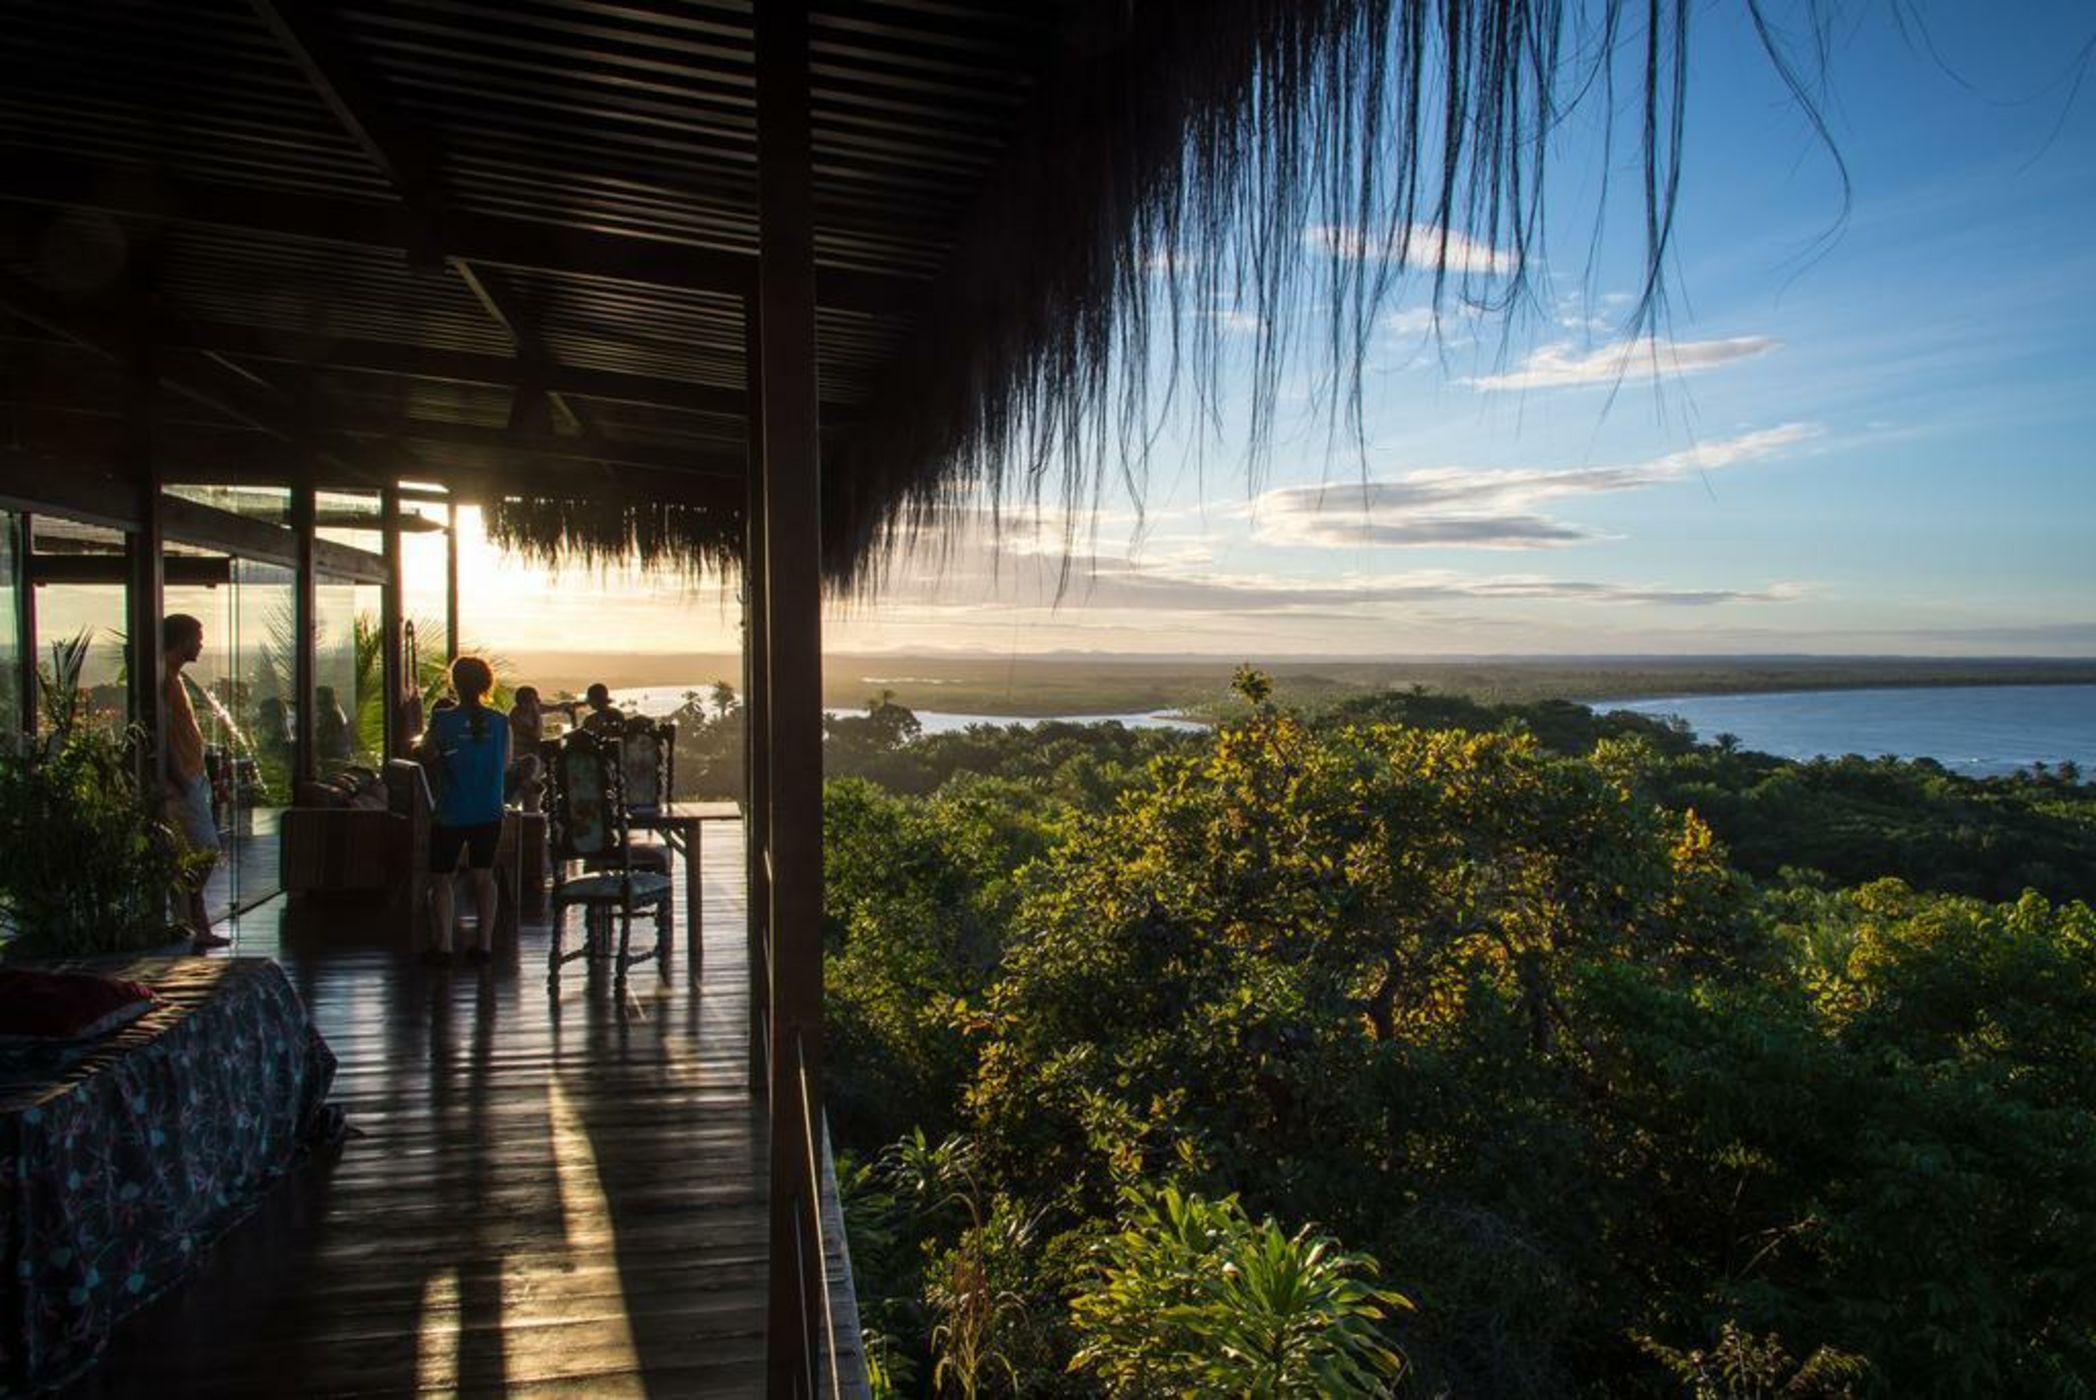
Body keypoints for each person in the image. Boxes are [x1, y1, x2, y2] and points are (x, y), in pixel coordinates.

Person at [418, 656, 509, 967]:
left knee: (441, 877)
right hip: (489, 810)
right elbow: (506, 763)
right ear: (486, 684)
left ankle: (443, 946)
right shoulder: (500, 721)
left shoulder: (443, 720)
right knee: (485, 877)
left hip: (452, 811)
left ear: (454, 684)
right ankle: (483, 946)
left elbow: (427, 753)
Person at [162, 614, 231, 948]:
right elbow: (161, 735)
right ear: (183, 639)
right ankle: (192, 922)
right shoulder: (164, 678)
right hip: (182, 781)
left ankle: (194, 924)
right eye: (198, 637)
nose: (202, 644)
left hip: (191, 777)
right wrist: (179, 778)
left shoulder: (173, 677)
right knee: (206, 850)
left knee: (193, 854)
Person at [506, 685, 546, 813]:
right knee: (515, 801)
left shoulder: (531, 711)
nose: (538, 702)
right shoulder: (516, 715)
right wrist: (537, 713)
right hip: (519, 765)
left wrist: (568, 706)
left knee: (532, 804)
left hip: (533, 764)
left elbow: (553, 707)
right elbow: (536, 735)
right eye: (534, 700)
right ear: (524, 702)